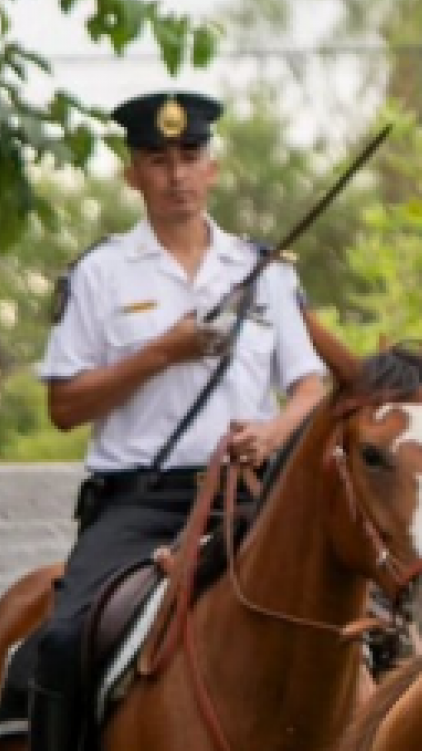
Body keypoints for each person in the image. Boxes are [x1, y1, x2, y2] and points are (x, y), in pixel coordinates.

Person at [28, 91, 327, 751]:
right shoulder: (100, 273)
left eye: (190, 156)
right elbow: (65, 405)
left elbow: (310, 385)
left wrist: (274, 433)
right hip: (139, 503)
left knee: (364, 622)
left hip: (250, 499)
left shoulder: (262, 272)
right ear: (132, 173)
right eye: (157, 160)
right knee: (64, 639)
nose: (176, 174)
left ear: (212, 168)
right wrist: (163, 352)